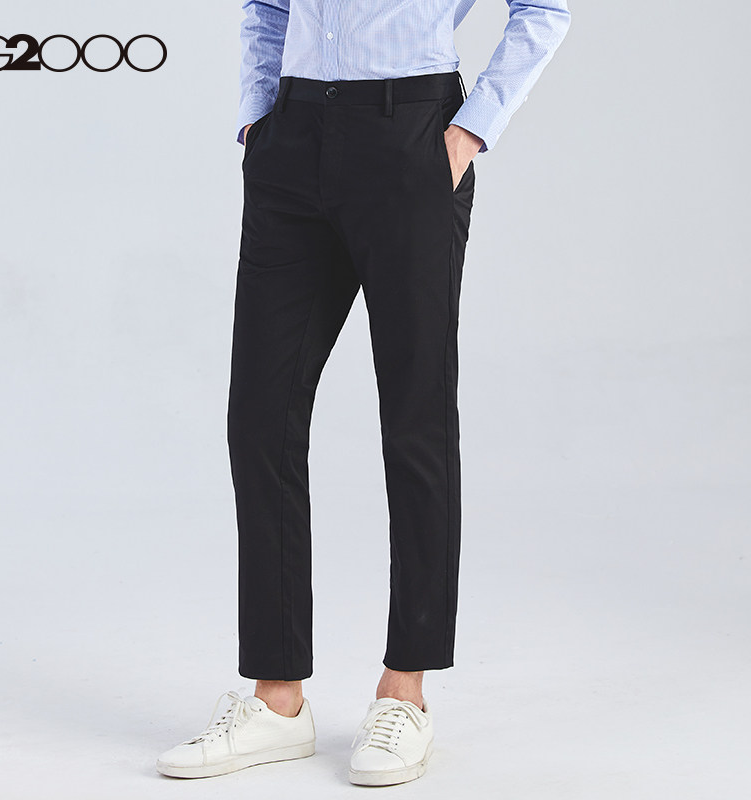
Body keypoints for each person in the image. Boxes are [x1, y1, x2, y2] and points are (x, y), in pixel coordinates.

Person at [157, 0, 571, 787]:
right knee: (260, 417)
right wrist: (258, 116)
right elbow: (266, 7)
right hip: (293, 136)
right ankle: (277, 699)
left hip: (410, 131)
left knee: (415, 416)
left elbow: (543, 9)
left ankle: (405, 690)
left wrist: (471, 129)